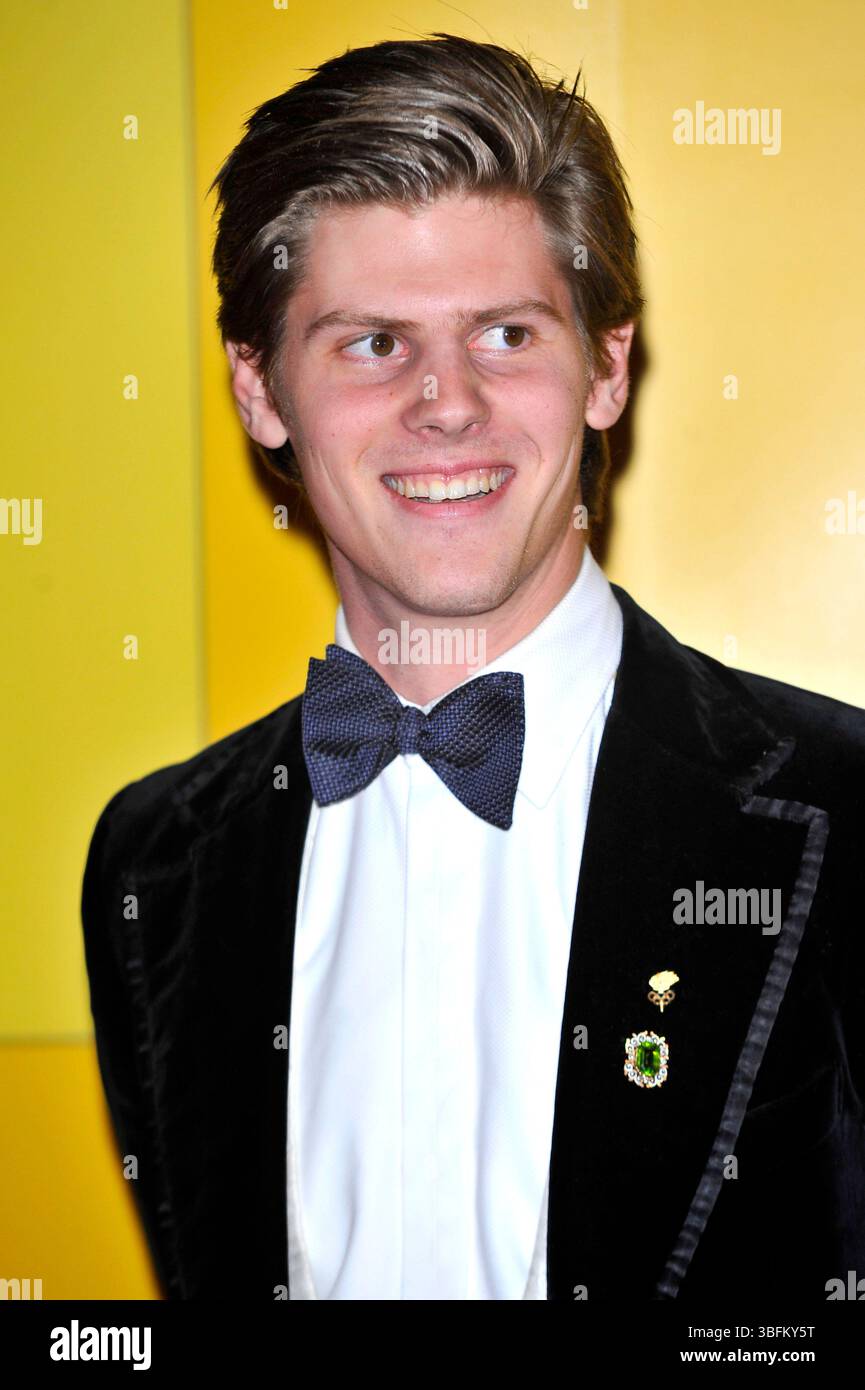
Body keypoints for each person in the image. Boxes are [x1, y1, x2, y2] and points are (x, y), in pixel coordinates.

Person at [81, 33, 865, 1302]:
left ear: (605, 366)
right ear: (260, 391)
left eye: (505, 333)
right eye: (372, 344)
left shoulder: (847, 812)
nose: (446, 403)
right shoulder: (149, 862)